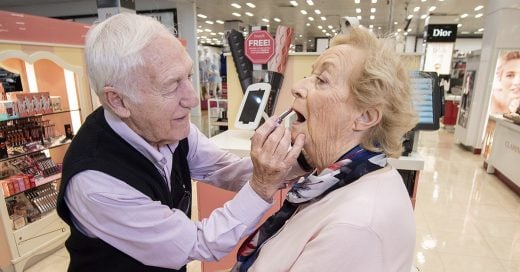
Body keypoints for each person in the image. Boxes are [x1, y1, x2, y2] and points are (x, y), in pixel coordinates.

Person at [56, 13, 305, 272]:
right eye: (171, 85)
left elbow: (223, 170)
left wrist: (301, 161)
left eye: (187, 76)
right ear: (118, 101)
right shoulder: (96, 182)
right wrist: (262, 186)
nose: (192, 99)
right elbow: (198, 243)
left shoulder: (169, 129)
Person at [233, 26, 417, 272]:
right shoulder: (336, 179)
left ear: (365, 116)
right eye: (312, 75)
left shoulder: (355, 226)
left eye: (321, 80)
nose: (297, 86)